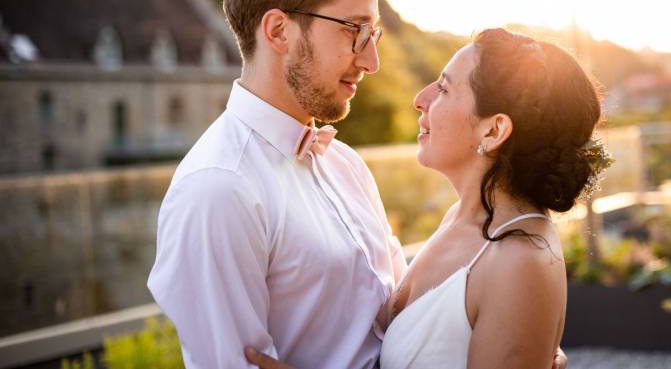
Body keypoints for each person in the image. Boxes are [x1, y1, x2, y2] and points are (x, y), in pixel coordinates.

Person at [246, 28, 603, 368]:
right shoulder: (463, 218)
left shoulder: (520, 260)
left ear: (493, 130)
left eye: (444, 90)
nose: (421, 99)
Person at [148, 0, 407, 368]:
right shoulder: (218, 190)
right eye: (354, 31)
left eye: (373, 35)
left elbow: (400, 309)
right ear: (279, 30)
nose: (370, 61)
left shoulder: (345, 163)